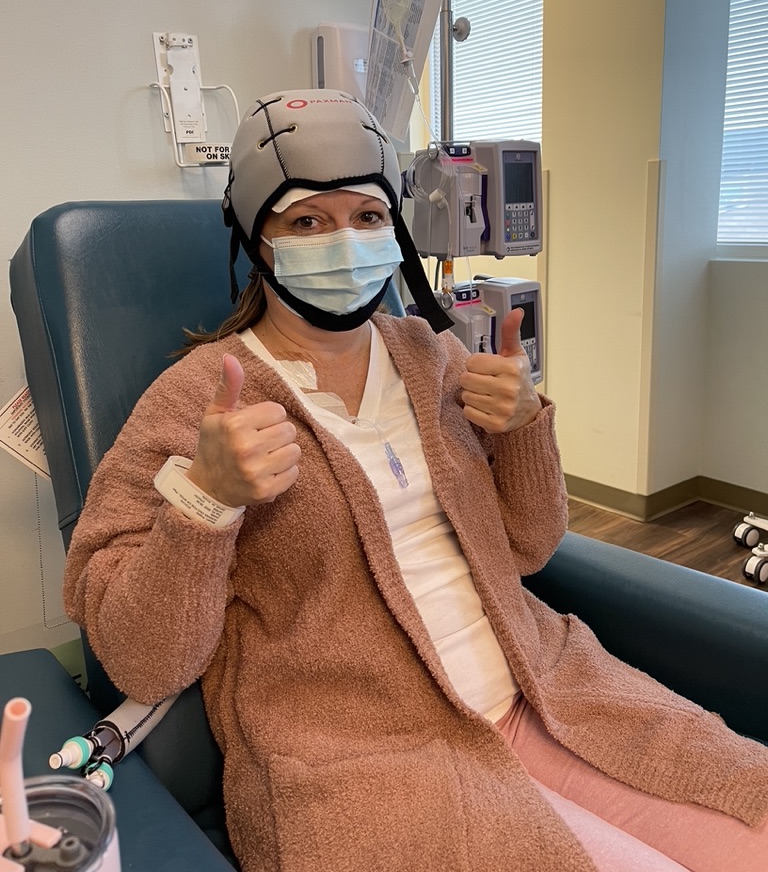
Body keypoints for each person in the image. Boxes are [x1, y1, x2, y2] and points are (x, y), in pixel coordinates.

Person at [63, 89, 768, 872]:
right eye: (307, 221)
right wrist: (205, 503)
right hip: (371, 758)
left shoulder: (431, 356)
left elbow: (530, 547)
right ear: (255, 239)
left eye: (367, 215)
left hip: (545, 687)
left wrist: (523, 428)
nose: (345, 241)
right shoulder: (197, 398)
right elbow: (144, 662)